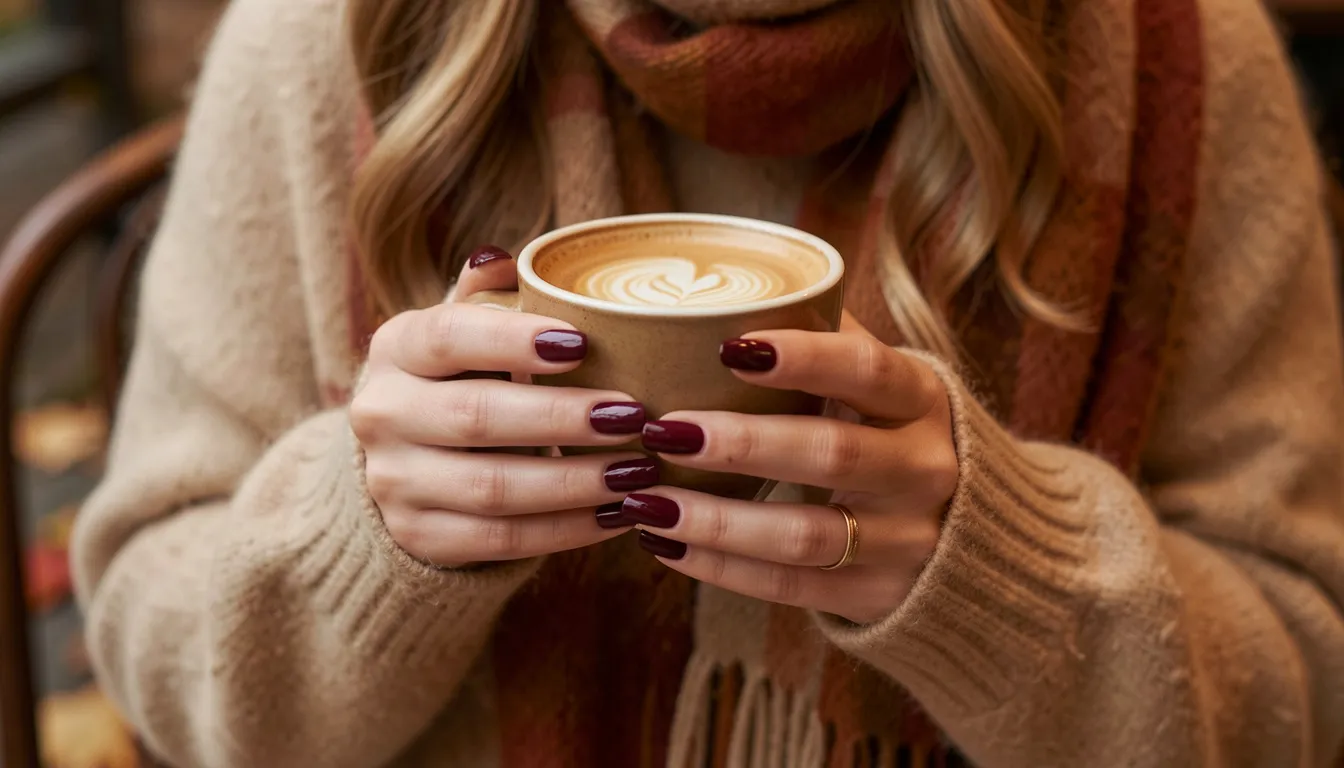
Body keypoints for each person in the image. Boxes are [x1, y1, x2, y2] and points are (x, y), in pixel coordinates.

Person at [70, 0, 1344, 765]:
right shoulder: (325, 37)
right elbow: (153, 636)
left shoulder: (1179, 58)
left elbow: (1309, 686)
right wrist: (365, 539)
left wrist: (1009, 584)